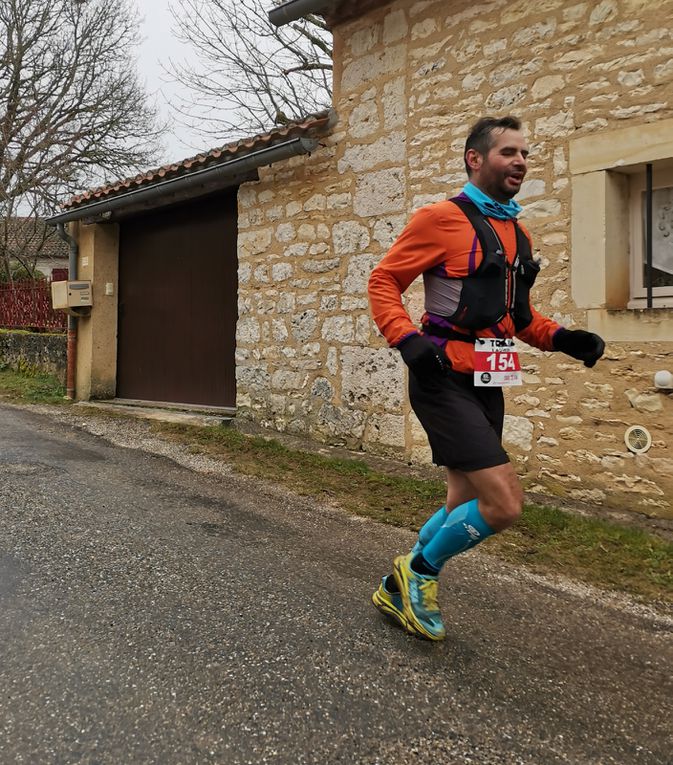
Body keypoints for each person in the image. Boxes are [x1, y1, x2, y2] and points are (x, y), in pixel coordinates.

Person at [367, 115, 605, 641]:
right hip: (441, 374)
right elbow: (384, 279)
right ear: (475, 159)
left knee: (460, 500)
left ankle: (393, 584)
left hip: (490, 376)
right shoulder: (439, 218)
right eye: (508, 152)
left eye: (525, 154)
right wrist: (406, 339)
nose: (520, 161)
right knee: (503, 503)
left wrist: (563, 338)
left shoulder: (517, 233)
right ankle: (419, 574)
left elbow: (517, 317)